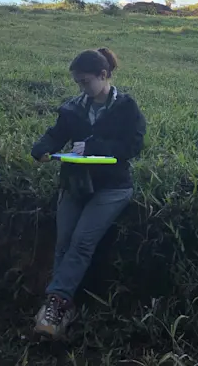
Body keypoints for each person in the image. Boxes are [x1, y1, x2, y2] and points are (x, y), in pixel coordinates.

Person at [30, 47, 146, 339]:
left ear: (103, 75)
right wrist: (43, 148)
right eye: (77, 82)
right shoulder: (73, 107)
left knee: (81, 242)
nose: (81, 87)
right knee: (63, 243)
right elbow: (56, 133)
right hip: (76, 183)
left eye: (85, 81)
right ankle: (62, 308)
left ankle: (55, 303)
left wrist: (95, 147)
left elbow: (133, 146)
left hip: (113, 187)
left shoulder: (126, 107)